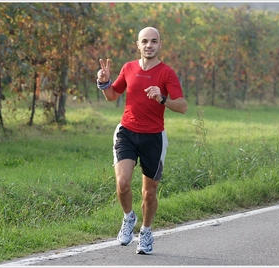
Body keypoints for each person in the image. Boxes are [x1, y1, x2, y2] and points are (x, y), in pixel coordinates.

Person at [96, 26, 188, 255]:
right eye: (145, 41)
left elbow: (183, 106)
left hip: (154, 138)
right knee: (123, 183)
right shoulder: (128, 68)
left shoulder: (167, 73)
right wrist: (104, 82)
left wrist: (162, 98)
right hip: (126, 132)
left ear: (160, 45)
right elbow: (111, 96)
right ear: (138, 44)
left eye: (154, 41)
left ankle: (146, 232)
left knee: (149, 193)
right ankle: (129, 217)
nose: (149, 45)